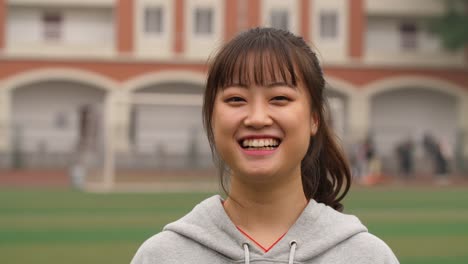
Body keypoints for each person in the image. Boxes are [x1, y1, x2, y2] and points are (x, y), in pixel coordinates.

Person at [131, 27, 399, 264]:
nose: (257, 118)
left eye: (279, 98)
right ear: (212, 118)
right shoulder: (161, 256)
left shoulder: (368, 256)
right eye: (236, 99)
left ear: (314, 119)